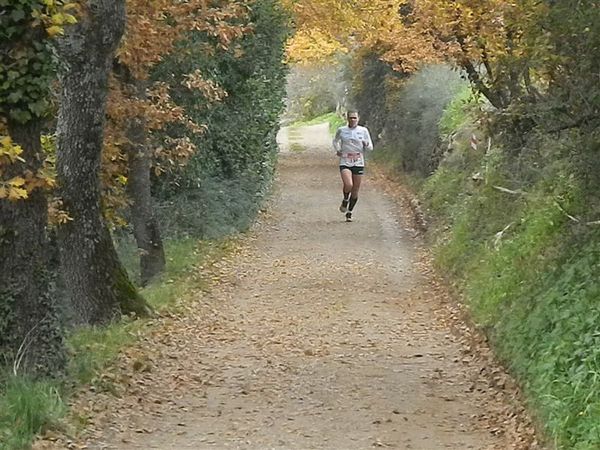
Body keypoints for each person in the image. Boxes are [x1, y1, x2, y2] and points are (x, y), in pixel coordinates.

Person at [332, 110, 373, 222]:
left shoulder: (363, 130)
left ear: (358, 118)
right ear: (347, 119)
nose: (353, 120)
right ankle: (345, 199)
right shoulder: (342, 130)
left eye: (355, 118)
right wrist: (338, 150)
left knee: (355, 190)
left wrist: (366, 144)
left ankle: (350, 211)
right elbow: (335, 141)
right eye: (351, 118)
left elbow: (370, 147)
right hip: (345, 160)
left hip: (358, 161)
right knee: (348, 184)